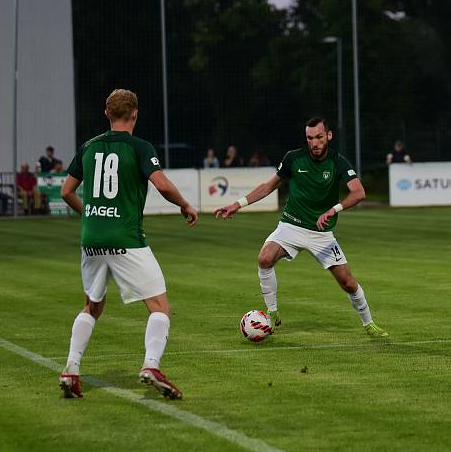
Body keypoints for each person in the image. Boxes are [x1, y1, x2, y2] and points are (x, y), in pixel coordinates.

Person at [58, 89, 199, 400]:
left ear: (106, 114)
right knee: (160, 307)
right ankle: (151, 365)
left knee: (92, 306)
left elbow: (67, 191)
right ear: (135, 114)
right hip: (126, 238)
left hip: (92, 238)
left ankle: (71, 368)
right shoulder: (139, 147)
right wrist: (185, 205)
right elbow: (161, 184)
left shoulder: (88, 146)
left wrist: (92, 215)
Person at [214, 116, 388, 338]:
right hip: (291, 226)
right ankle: (272, 312)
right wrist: (237, 204)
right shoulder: (293, 158)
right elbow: (268, 187)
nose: (314, 143)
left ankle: (369, 324)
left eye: (319, 137)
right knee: (264, 258)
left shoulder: (338, 161)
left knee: (347, 282)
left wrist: (334, 209)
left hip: (321, 235)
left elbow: (359, 192)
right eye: (309, 138)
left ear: (329, 135)